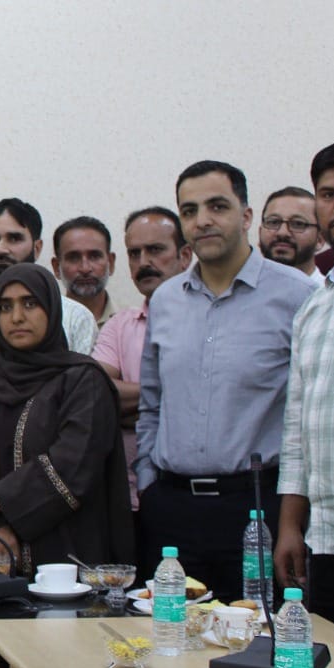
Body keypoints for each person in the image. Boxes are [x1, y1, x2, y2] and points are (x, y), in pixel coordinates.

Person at [136, 160, 312, 598]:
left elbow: (308, 412)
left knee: (257, 633)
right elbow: (152, 405)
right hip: (172, 507)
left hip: (258, 508)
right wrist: (149, 483)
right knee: (171, 633)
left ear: (246, 215)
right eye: (190, 210)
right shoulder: (166, 300)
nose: (203, 221)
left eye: (217, 206)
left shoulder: (298, 296)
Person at [0, 264, 134, 570]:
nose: (17, 317)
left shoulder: (83, 379)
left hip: (65, 548)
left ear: (52, 308)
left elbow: (74, 462)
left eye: (30, 304)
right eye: (5, 307)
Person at [276, 140, 334, 636]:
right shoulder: (314, 307)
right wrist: (291, 526)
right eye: (328, 195)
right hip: (326, 539)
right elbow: (297, 428)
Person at [90, 208, 193, 509]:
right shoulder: (119, 326)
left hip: (194, 490)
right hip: (131, 497)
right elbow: (97, 393)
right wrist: (172, 397)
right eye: (134, 253)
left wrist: (131, 403)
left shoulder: (210, 323)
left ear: (185, 256)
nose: (143, 262)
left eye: (155, 250)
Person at [0, 197, 97, 373]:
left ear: (37, 247)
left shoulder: (76, 318)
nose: (0, 249)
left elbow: (84, 384)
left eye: (14, 238)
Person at [50, 216, 118, 328]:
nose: (85, 268)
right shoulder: (45, 325)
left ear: (110, 263)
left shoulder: (132, 323)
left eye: (94, 257)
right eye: (73, 258)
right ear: (57, 267)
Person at [258, 185, 324, 287]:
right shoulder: (241, 292)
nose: (282, 233)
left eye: (298, 224)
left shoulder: (332, 295)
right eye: (273, 222)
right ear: (260, 232)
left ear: (320, 239)